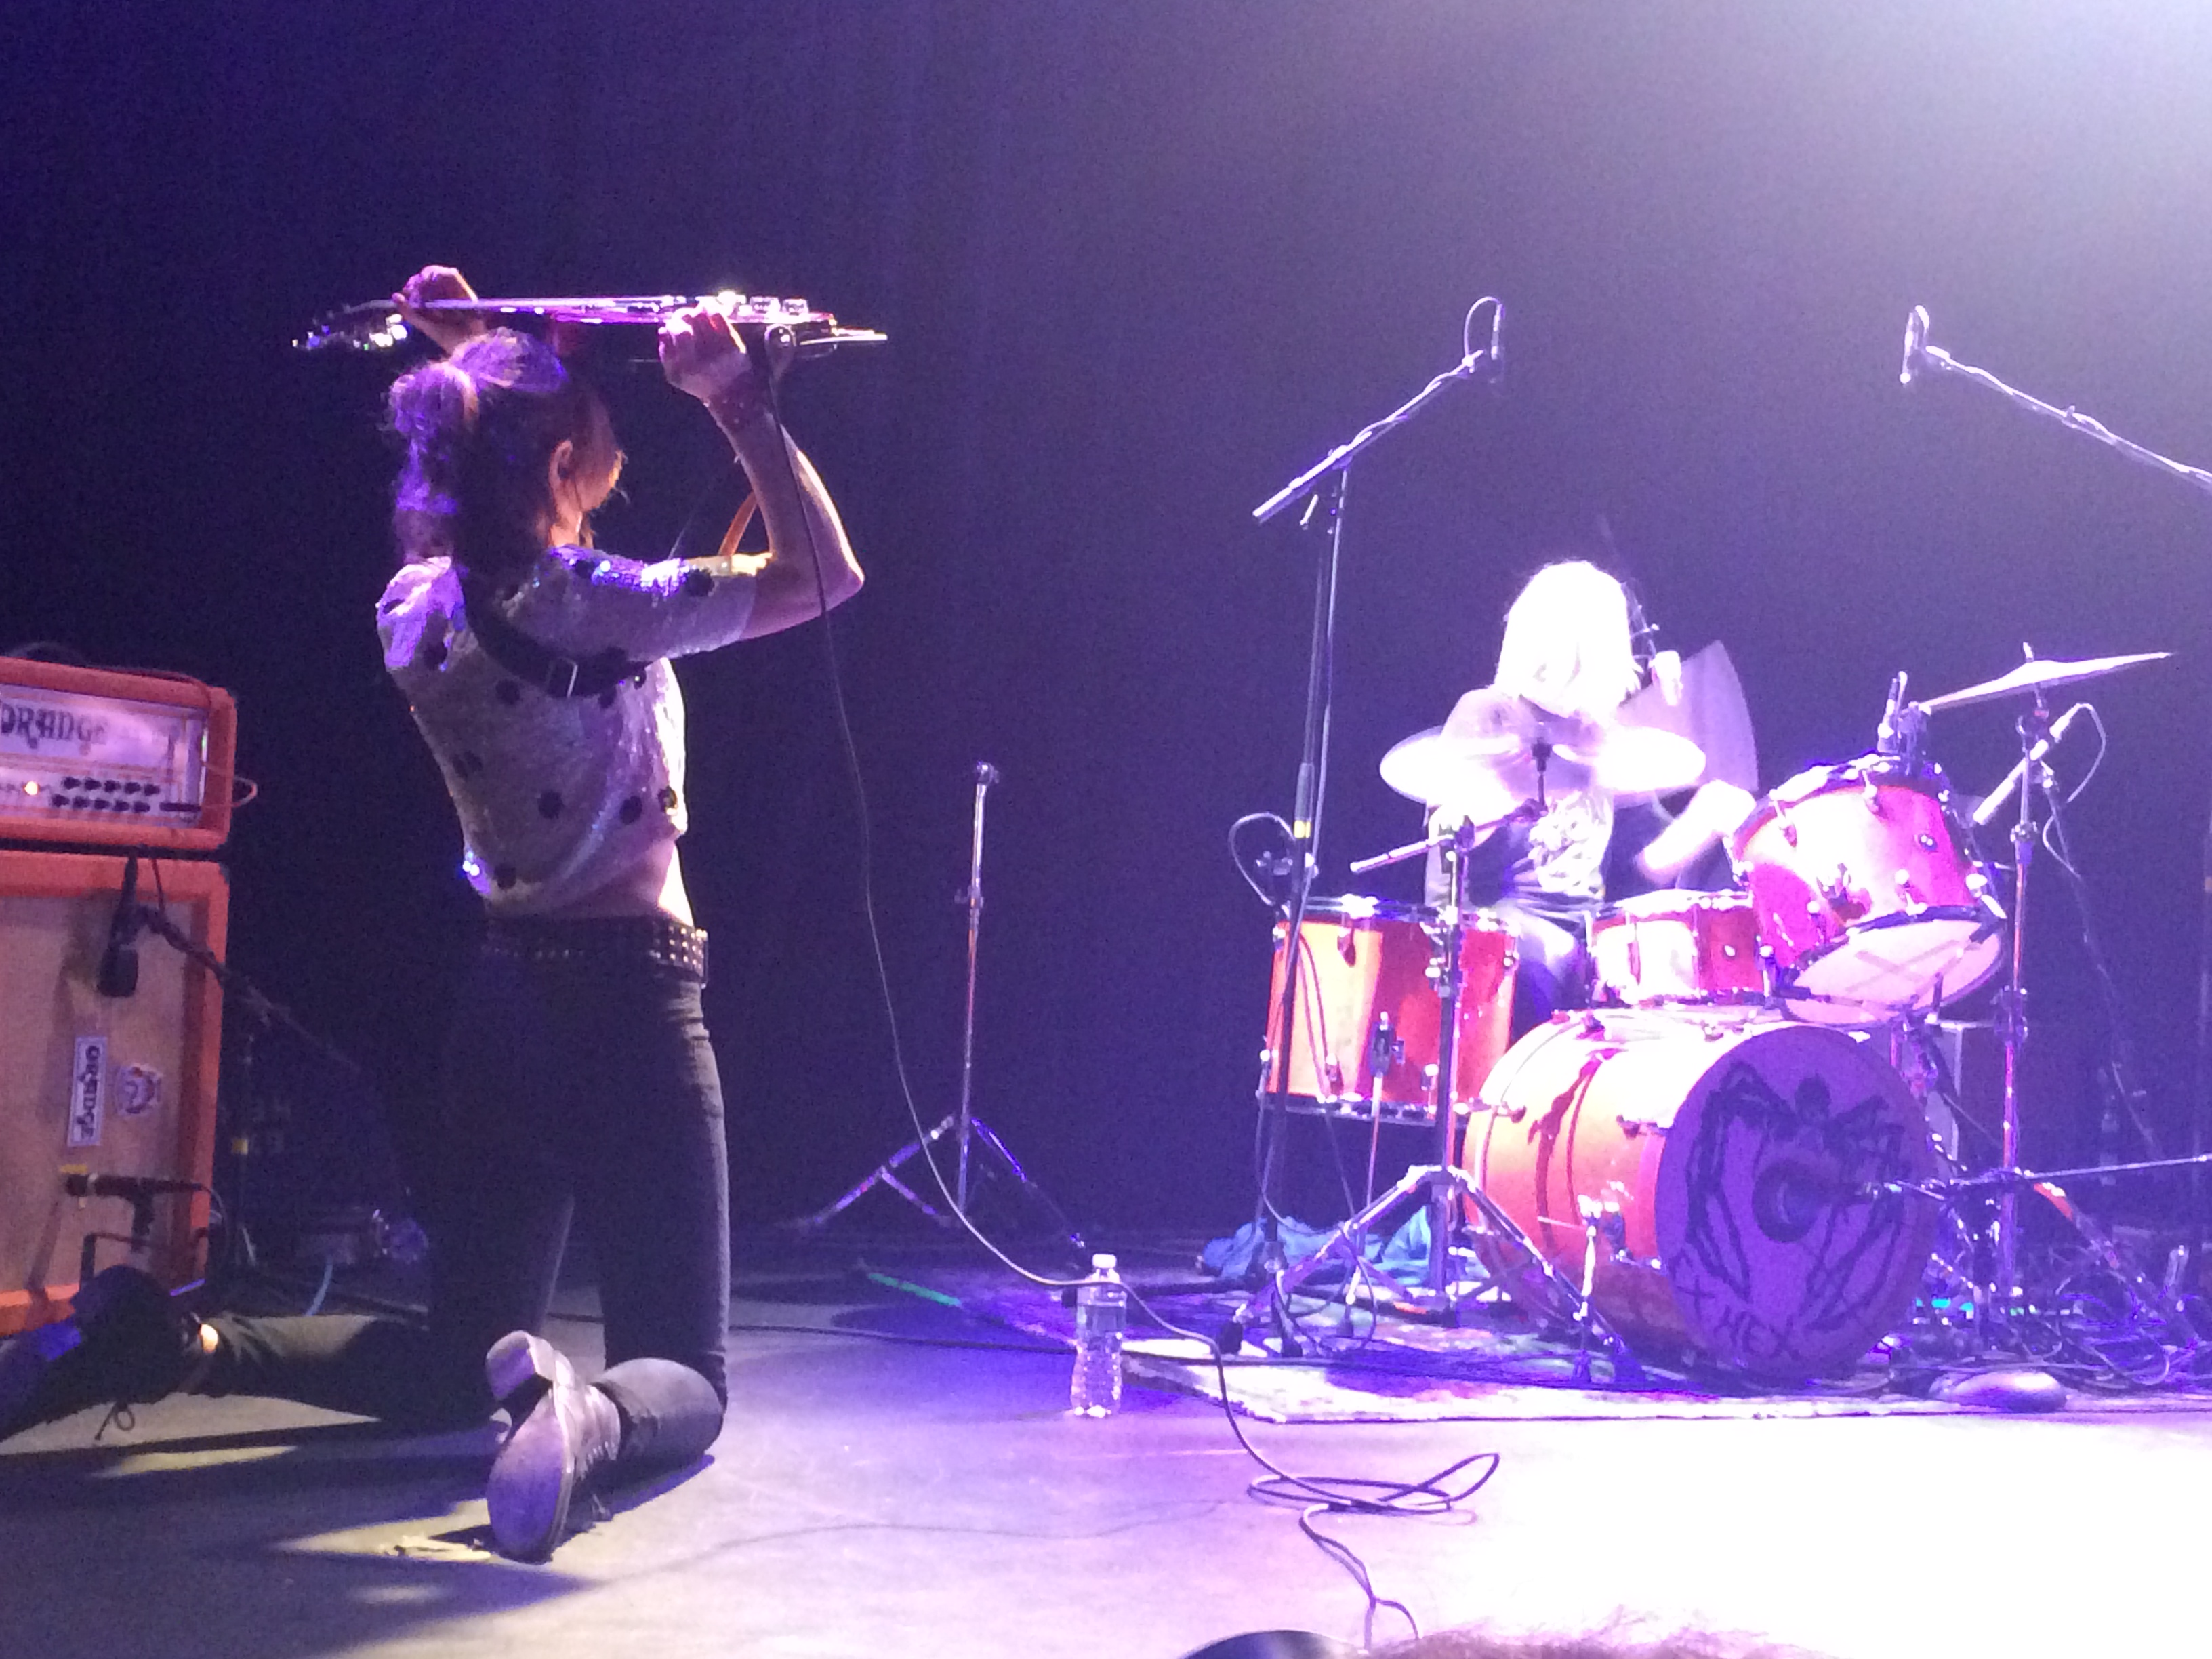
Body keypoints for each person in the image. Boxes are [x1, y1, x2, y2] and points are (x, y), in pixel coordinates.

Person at [0, 266, 864, 1561]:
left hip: (503, 1006)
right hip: (629, 1000)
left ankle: (177, 1340)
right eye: (601, 440)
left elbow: (526, 530)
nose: (620, 456)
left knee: (464, 1345)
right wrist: (740, 404)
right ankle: (584, 1416)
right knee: (686, 1368)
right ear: (561, 462)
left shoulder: (416, 606)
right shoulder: (597, 602)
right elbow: (824, 574)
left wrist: (479, 356)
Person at [1423, 560, 1751, 1036]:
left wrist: (1703, 821)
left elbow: (1644, 869)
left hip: (1588, 933)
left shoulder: (1601, 738)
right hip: (1497, 933)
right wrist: (1517, 790)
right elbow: (1447, 839)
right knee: (1550, 957)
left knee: (1675, 966)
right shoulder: (1490, 713)